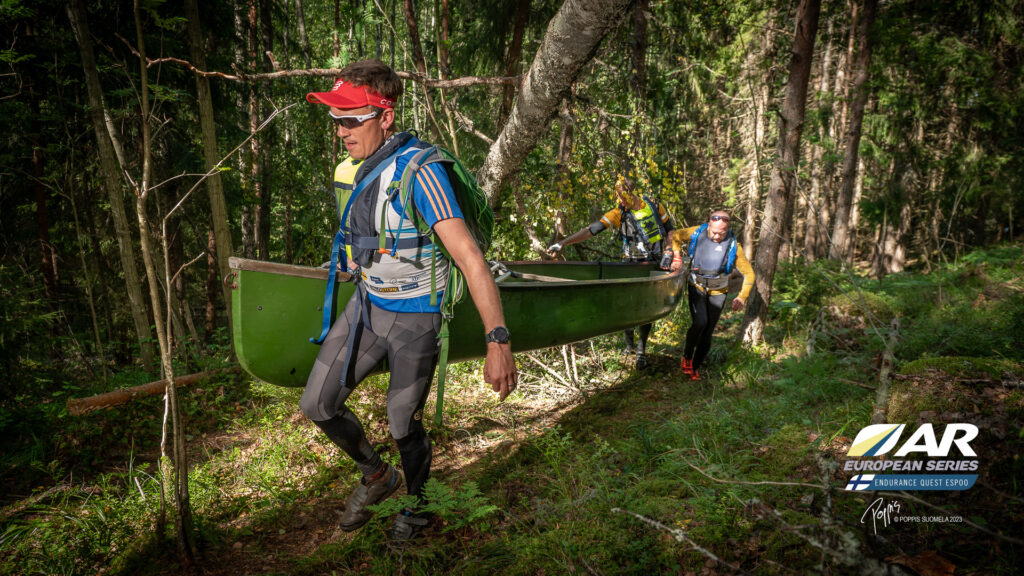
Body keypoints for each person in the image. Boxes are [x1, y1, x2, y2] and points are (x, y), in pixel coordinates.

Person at [301, 59, 517, 544]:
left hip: (416, 318)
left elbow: (472, 260)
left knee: (402, 422)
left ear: (386, 115)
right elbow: (366, 236)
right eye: (335, 119)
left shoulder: (421, 173)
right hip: (368, 307)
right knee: (318, 404)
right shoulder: (353, 170)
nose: (341, 130)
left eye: (352, 118)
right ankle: (378, 476)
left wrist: (498, 341)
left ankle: (417, 505)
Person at [547, 177, 674, 370]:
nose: (620, 201)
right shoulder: (618, 213)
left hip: (652, 263)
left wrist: (669, 250)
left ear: (633, 193)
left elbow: (670, 230)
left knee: (645, 306)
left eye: (623, 197)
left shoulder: (654, 206)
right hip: (629, 264)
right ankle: (629, 345)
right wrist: (563, 243)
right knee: (626, 303)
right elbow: (591, 230)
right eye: (618, 197)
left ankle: (641, 351)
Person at [668, 210, 754, 380]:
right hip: (697, 286)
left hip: (719, 290)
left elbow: (749, 273)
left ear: (727, 229)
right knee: (700, 322)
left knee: (708, 331)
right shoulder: (698, 232)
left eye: (721, 233)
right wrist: (677, 257)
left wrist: (742, 296)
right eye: (714, 231)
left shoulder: (733, 246)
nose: (716, 236)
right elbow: (676, 235)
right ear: (709, 225)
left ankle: (695, 366)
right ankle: (687, 356)